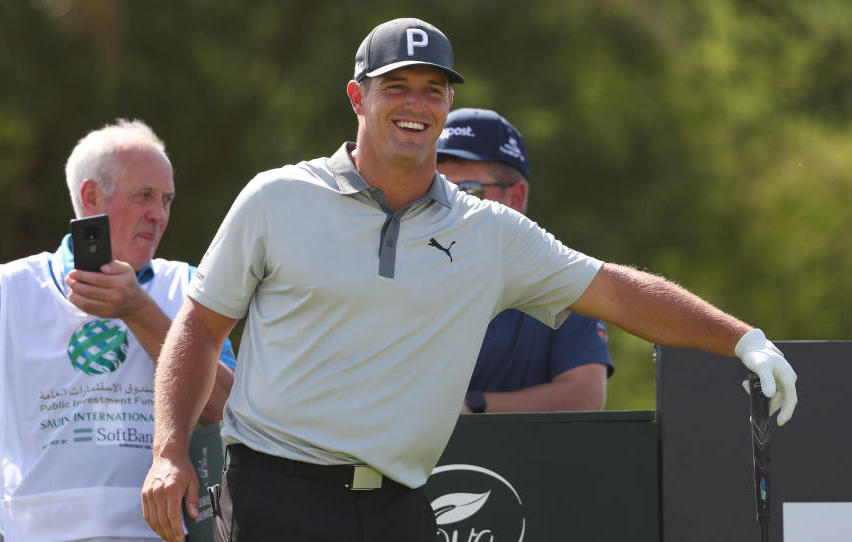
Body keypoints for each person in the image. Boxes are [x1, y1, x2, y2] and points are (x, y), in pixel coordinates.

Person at [140, 18, 798, 542]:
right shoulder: (277, 198)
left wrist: (743, 341)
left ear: (449, 102)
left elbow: (618, 291)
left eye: (433, 89)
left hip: (401, 505)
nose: (416, 105)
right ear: (357, 96)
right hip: (276, 497)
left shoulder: (488, 232)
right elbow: (199, 328)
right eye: (396, 86)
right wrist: (169, 451)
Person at [0, 119, 237, 542]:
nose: (159, 214)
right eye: (145, 196)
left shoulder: (189, 288)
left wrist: (139, 311)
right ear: (91, 197)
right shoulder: (5, 290)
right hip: (23, 531)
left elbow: (229, 413)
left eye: (166, 199)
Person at [436, 107, 613, 413]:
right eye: (436, 191)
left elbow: (586, 395)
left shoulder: (565, 278)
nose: (448, 206)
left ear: (514, 199)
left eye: (466, 192)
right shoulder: (399, 271)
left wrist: (469, 408)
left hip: (528, 460)